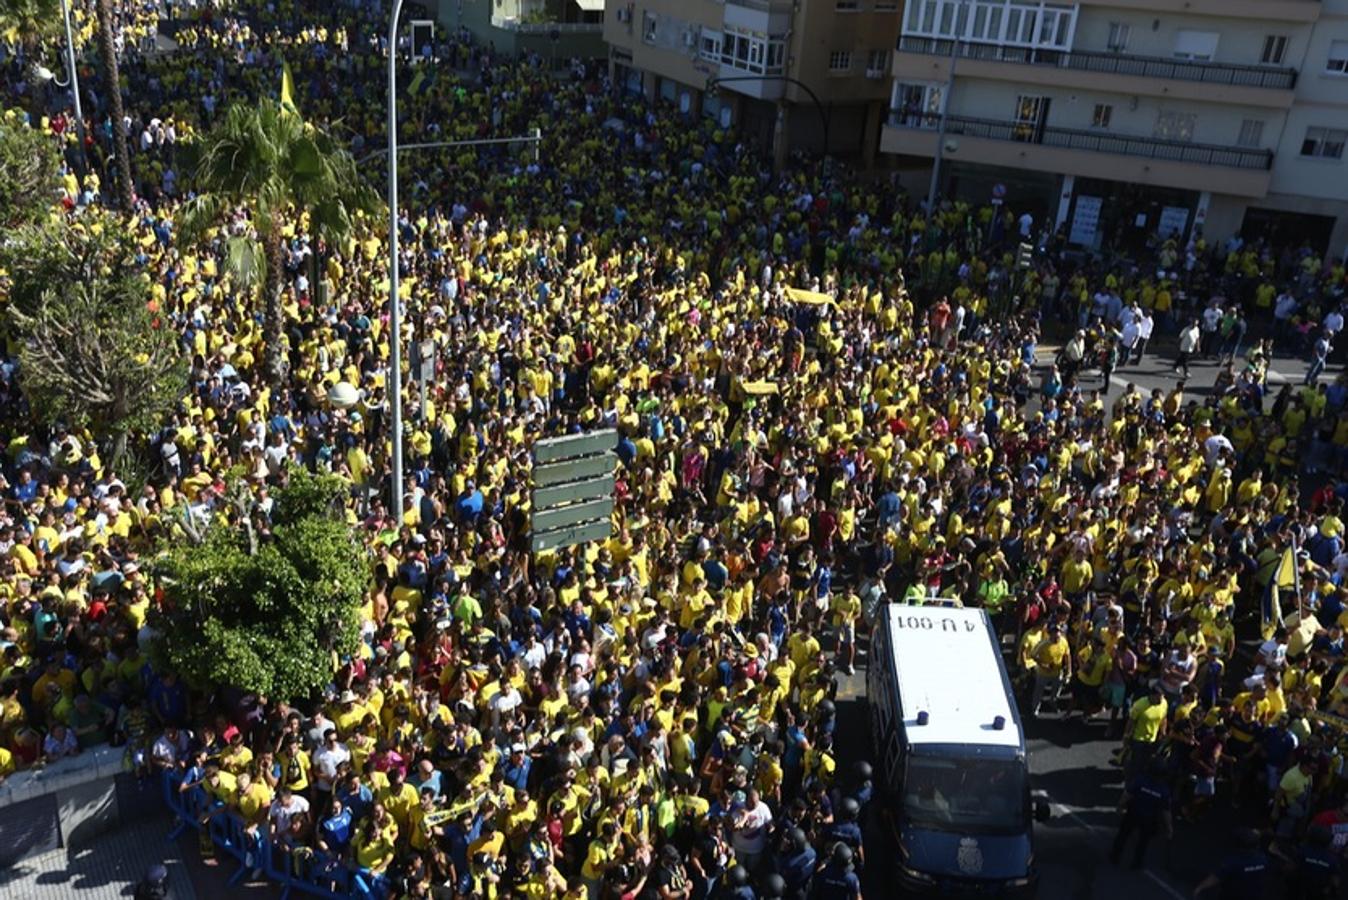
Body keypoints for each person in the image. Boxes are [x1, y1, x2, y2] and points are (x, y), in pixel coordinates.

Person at [1109, 761, 1172, 869]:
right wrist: (1169, 828)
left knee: (1123, 835)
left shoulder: (1140, 780)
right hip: (1149, 818)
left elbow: (1127, 795)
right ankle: (1136, 863)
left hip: (1133, 813)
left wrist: (1120, 806)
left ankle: (1115, 856)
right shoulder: (1163, 790)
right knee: (1143, 842)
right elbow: (1165, 811)